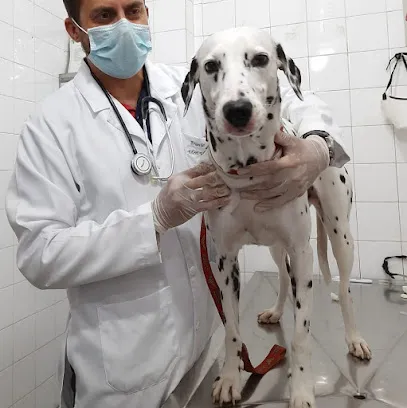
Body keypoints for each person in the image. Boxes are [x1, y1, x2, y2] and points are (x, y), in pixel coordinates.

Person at [5, 0, 350, 407]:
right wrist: (153, 219)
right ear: (73, 29)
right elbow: (40, 255)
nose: (124, 25)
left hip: (202, 351)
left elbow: (291, 97)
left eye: (133, 10)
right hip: (119, 371)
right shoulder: (50, 126)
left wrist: (318, 148)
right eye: (104, 15)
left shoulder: (190, 86)